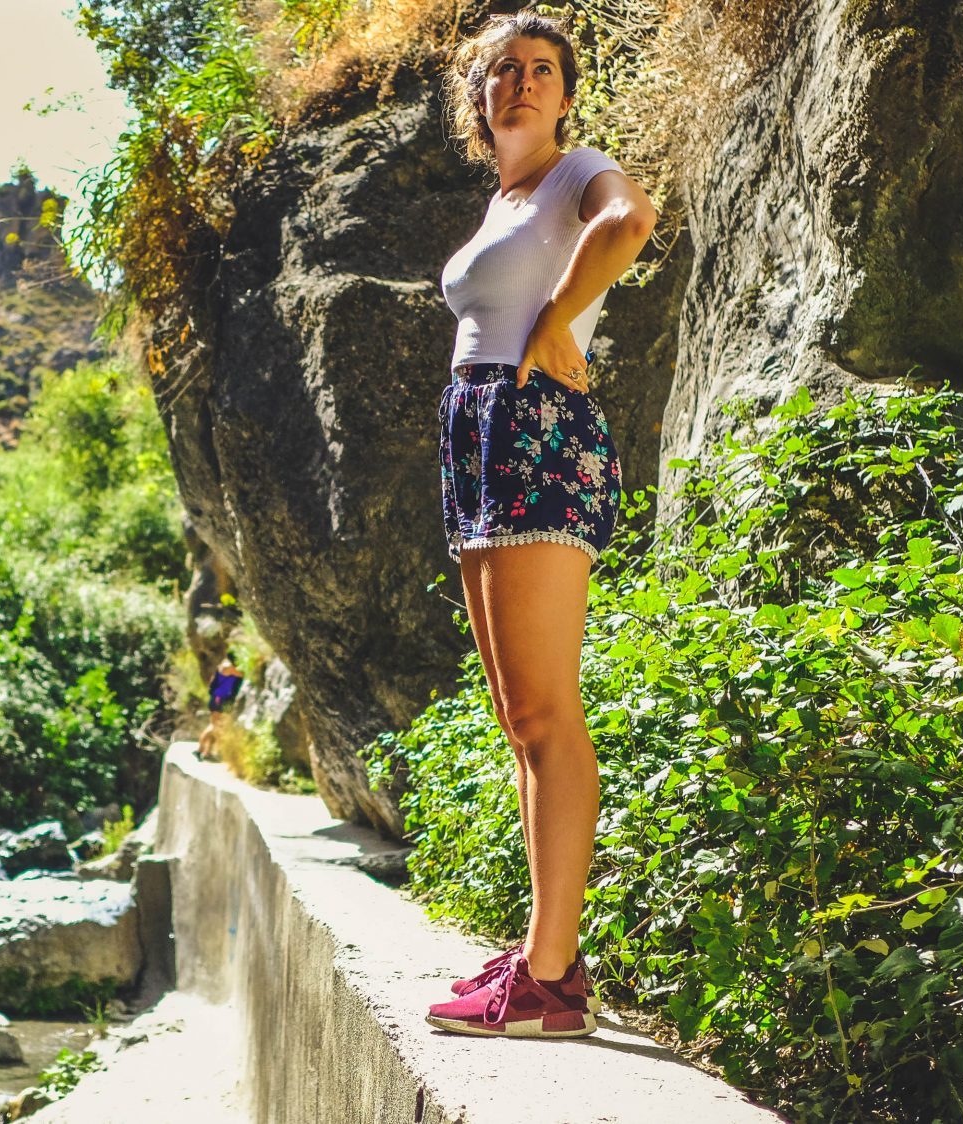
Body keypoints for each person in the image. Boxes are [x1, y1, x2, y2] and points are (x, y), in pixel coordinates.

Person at [421, 10, 657, 1039]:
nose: (518, 83)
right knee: (521, 719)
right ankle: (537, 953)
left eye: (540, 70)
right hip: (478, 434)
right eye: (501, 71)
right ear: (479, 100)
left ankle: (552, 980)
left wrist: (556, 319)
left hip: (535, 428)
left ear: (565, 95)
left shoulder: (576, 175)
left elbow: (632, 221)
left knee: (548, 713)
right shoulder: (501, 200)